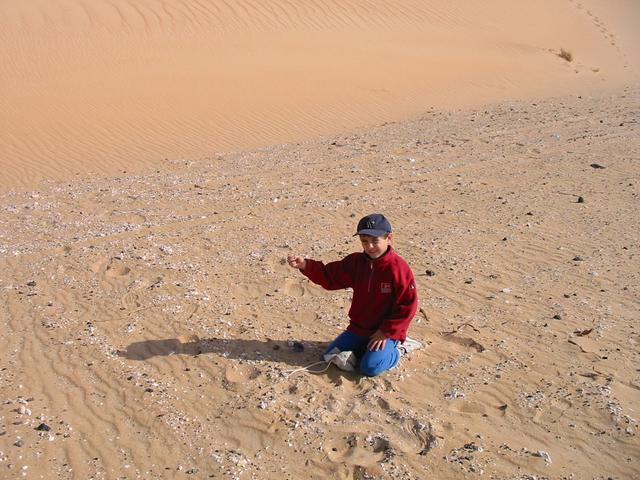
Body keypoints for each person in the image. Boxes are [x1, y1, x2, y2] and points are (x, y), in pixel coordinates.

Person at [287, 213, 420, 376]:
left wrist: (386, 331)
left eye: (375, 241)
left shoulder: (399, 269)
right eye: (364, 241)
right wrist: (306, 265)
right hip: (359, 329)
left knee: (369, 368)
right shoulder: (356, 262)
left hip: (385, 332)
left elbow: (408, 305)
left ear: (389, 238)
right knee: (330, 355)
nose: (369, 246)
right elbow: (330, 277)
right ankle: (365, 348)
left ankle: (400, 348)